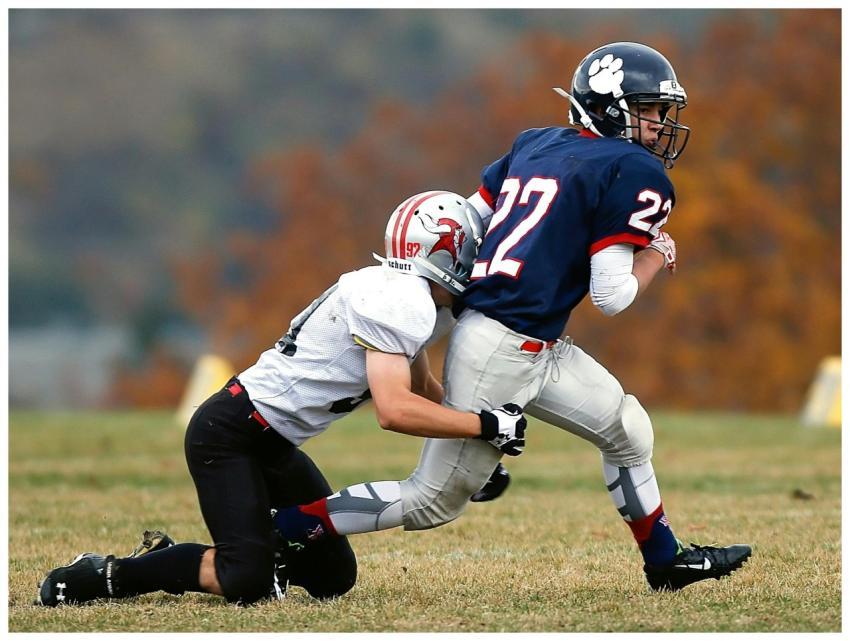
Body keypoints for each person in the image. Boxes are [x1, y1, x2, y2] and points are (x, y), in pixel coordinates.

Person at [270, 42, 751, 592]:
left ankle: (666, 562)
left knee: (627, 430)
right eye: (648, 109)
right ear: (610, 108)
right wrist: (655, 253)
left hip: (527, 340)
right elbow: (611, 295)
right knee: (431, 501)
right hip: (502, 349)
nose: (659, 124)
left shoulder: (536, 143)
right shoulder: (630, 168)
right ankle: (285, 530)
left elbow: (467, 218)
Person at [36, 191, 528, 607]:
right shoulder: (400, 302)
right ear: (446, 253)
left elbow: (419, 387)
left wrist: (471, 445)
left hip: (274, 443)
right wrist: (486, 427)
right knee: (244, 580)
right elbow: (394, 410)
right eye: (472, 249)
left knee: (333, 578)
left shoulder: (404, 296)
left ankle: (232, 551)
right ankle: (109, 575)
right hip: (231, 434)